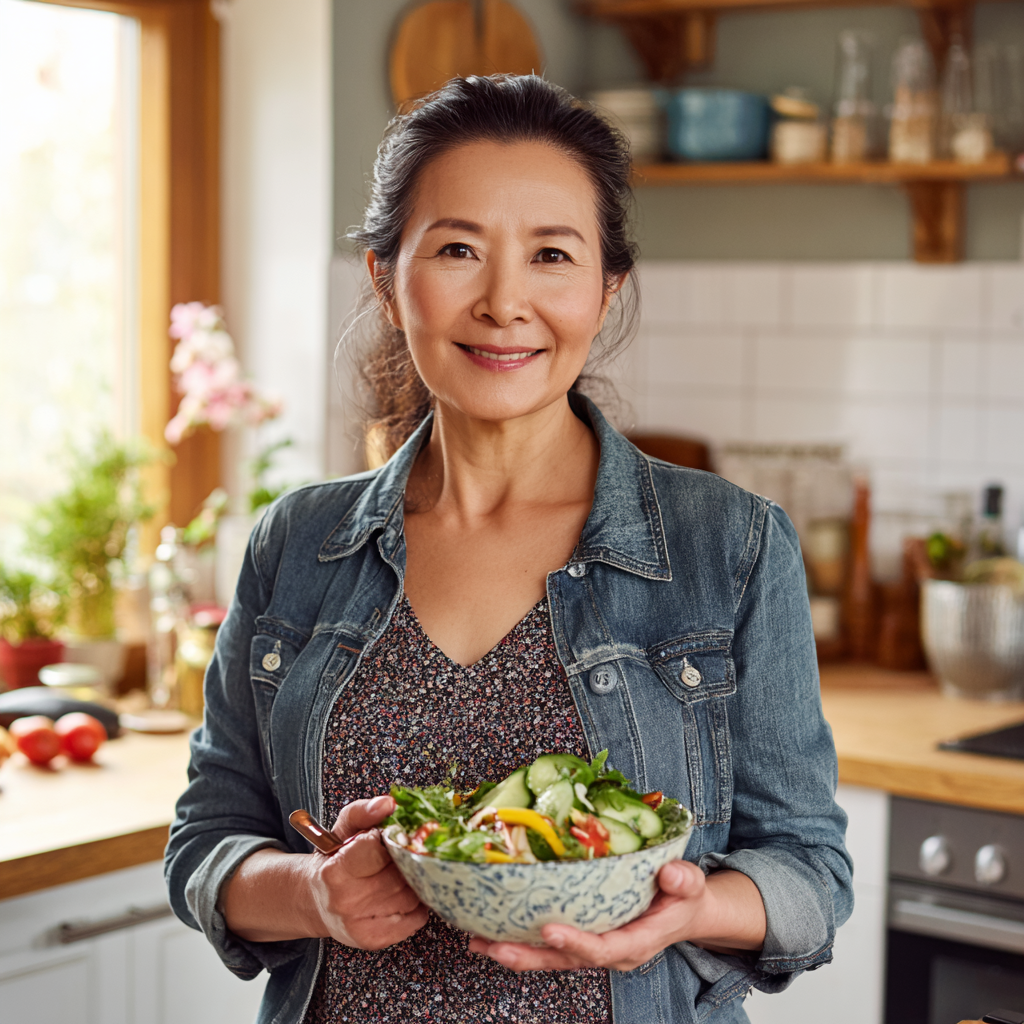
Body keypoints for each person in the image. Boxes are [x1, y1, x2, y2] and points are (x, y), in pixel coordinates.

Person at [165, 74, 852, 1024]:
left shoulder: (728, 546)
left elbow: (811, 873)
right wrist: (310, 893)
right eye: (457, 250)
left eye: (551, 255)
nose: (504, 302)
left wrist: (691, 908)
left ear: (607, 288)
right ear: (385, 278)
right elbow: (207, 841)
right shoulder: (298, 542)